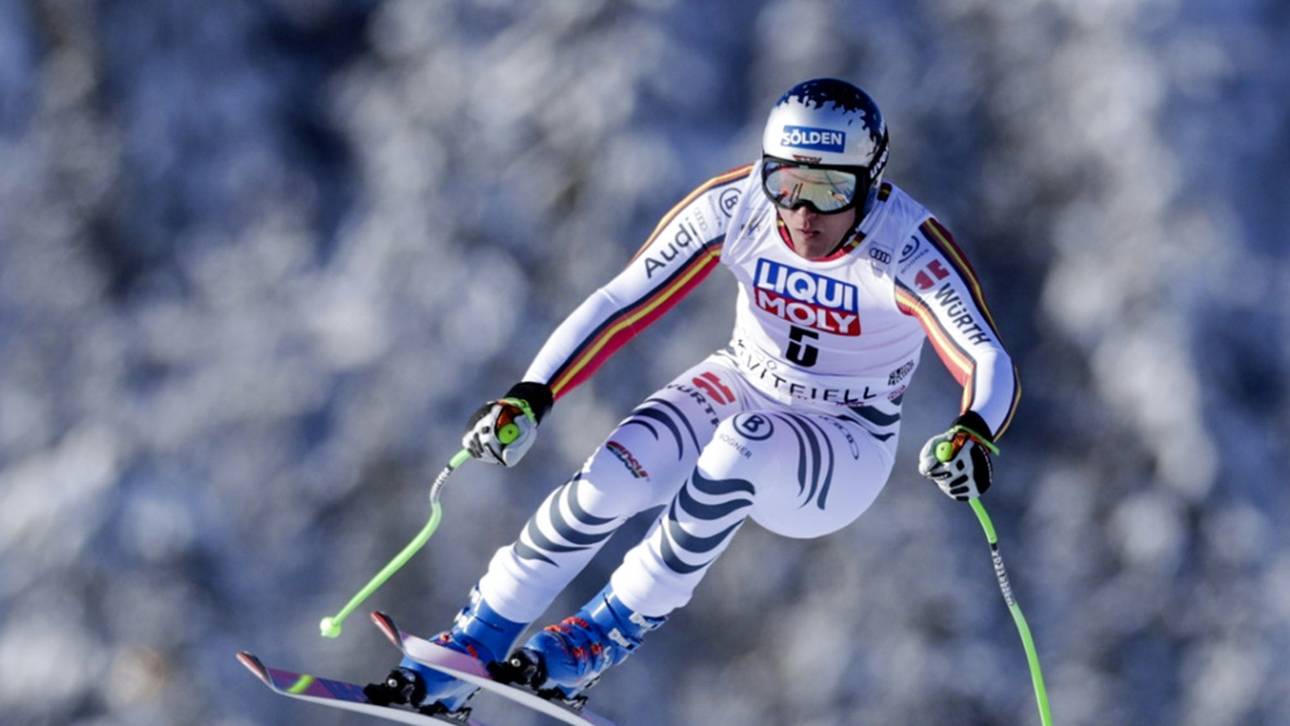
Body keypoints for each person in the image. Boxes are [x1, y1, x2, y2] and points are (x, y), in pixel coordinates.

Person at [366, 78, 1020, 717]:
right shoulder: (736, 206)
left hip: (842, 438)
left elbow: (985, 354)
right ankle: (470, 647)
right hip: (743, 378)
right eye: (786, 185)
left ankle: (602, 634)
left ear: (871, 180)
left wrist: (974, 431)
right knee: (617, 470)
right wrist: (530, 397)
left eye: (829, 191)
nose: (802, 215)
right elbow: (622, 301)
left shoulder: (903, 245)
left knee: (744, 442)